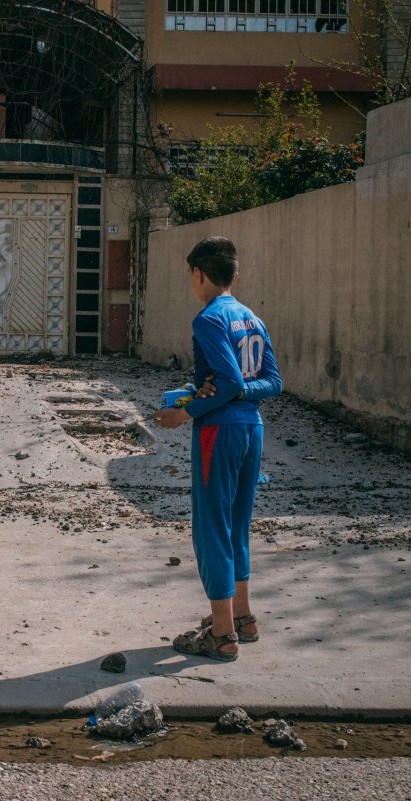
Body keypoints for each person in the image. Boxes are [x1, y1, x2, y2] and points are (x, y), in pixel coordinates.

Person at [153, 236, 282, 662]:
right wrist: (223, 389)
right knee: (237, 525)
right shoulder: (252, 318)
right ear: (236, 275)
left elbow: (227, 383)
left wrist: (185, 413)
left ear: (198, 273)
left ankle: (222, 634)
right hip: (252, 428)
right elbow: (272, 384)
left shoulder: (208, 319)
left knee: (211, 528)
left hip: (218, 432)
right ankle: (243, 618)